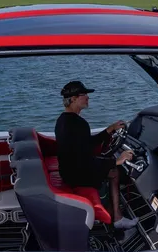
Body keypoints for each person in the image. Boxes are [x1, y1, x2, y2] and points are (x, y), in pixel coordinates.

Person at [54, 80, 138, 229]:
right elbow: (83, 160)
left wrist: (109, 129)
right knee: (114, 172)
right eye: (84, 94)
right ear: (73, 99)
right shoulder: (78, 124)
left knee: (108, 164)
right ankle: (117, 218)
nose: (88, 97)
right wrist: (116, 161)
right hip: (76, 174)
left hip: (68, 170)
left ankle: (113, 210)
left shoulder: (63, 120)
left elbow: (86, 145)